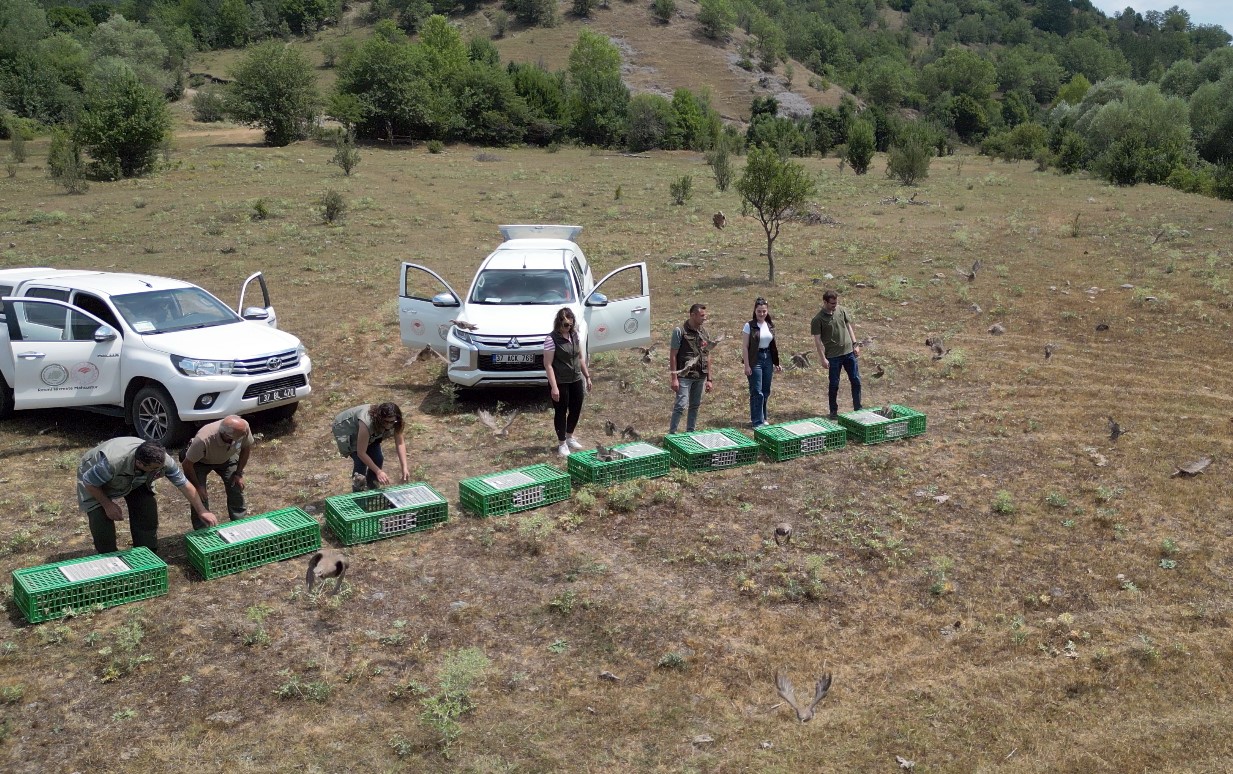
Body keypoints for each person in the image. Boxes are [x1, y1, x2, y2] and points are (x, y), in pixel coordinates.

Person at [77, 438, 217, 555]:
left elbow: (184, 485)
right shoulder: (111, 463)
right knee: (101, 521)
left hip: (137, 480)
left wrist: (202, 510)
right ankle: (110, 558)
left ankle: (146, 553)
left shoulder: (162, 461)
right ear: (139, 463)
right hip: (94, 480)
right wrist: (107, 504)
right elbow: (89, 482)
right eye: (155, 469)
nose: (160, 470)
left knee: (146, 509)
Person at [183, 415, 254, 530]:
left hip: (226, 458)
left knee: (235, 485)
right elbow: (187, 464)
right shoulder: (203, 439)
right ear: (227, 435)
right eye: (240, 435)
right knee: (199, 495)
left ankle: (240, 523)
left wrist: (239, 473)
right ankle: (202, 530)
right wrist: (198, 486)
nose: (244, 435)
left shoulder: (243, 428)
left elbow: (246, 448)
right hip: (201, 462)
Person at [543, 307, 592, 456]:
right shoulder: (551, 340)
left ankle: (569, 436)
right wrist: (554, 387)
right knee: (561, 411)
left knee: (576, 408)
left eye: (571, 324)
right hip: (561, 381)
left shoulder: (575, 335)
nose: (568, 327)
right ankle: (562, 443)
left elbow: (580, 358)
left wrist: (587, 376)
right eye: (565, 325)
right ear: (559, 323)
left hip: (576, 378)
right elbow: (548, 364)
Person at [332, 402, 410, 492]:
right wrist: (379, 472)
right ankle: (358, 495)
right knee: (360, 462)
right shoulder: (367, 423)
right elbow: (361, 453)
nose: (389, 425)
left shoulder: (396, 422)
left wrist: (404, 467)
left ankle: (372, 489)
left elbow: (400, 443)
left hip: (369, 431)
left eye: (392, 422)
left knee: (378, 458)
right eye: (386, 421)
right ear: (380, 418)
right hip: (346, 427)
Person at [811, 289, 863, 420]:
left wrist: (855, 344)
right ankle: (833, 411)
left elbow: (848, 326)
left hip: (849, 353)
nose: (835, 305)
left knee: (856, 380)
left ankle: (858, 408)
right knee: (834, 384)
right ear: (825, 302)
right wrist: (822, 358)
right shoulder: (818, 319)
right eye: (832, 303)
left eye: (836, 302)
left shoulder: (841, 310)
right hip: (833, 357)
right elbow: (817, 341)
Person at [669, 303, 714, 434]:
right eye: (702, 315)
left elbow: (708, 355)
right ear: (692, 315)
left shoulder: (704, 332)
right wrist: (674, 378)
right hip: (684, 376)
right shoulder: (680, 331)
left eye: (705, 315)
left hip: (700, 376)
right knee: (680, 406)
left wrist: (709, 379)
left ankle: (690, 433)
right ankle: (672, 434)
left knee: (695, 406)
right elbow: (673, 355)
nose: (704, 318)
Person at [742, 297, 782, 428]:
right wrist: (747, 365)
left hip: (768, 358)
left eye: (764, 311)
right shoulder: (749, 326)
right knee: (757, 391)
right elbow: (745, 347)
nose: (762, 314)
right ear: (755, 310)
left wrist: (776, 362)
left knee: (765, 390)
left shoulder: (769, 325)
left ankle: (764, 417)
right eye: (759, 311)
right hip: (755, 359)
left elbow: (773, 345)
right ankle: (757, 421)